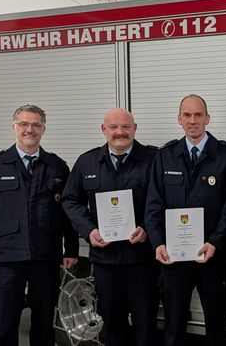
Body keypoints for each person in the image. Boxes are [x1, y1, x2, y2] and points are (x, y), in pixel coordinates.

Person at [0, 104, 79, 346]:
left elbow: (68, 212)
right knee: (4, 322)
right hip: (7, 258)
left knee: (43, 321)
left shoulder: (57, 167)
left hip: (45, 257)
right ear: (14, 128)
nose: (30, 129)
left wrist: (70, 248)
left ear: (43, 129)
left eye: (36, 125)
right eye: (24, 124)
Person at [144, 94, 226, 346]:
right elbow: (153, 205)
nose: (193, 121)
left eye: (198, 115)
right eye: (187, 115)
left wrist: (215, 243)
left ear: (207, 118)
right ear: (179, 119)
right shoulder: (165, 156)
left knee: (216, 324)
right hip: (173, 258)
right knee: (174, 325)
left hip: (212, 256)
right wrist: (158, 243)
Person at [60, 108, 159, 346]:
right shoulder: (87, 162)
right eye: (113, 127)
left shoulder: (154, 159)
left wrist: (146, 227)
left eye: (126, 126)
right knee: (112, 326)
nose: (120, 132)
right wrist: (89, 230)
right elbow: (70, 200)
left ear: (135, 128)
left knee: (146, 326)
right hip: (106, 262)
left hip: (143, 261)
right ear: (103, 130)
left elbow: (166, 200)